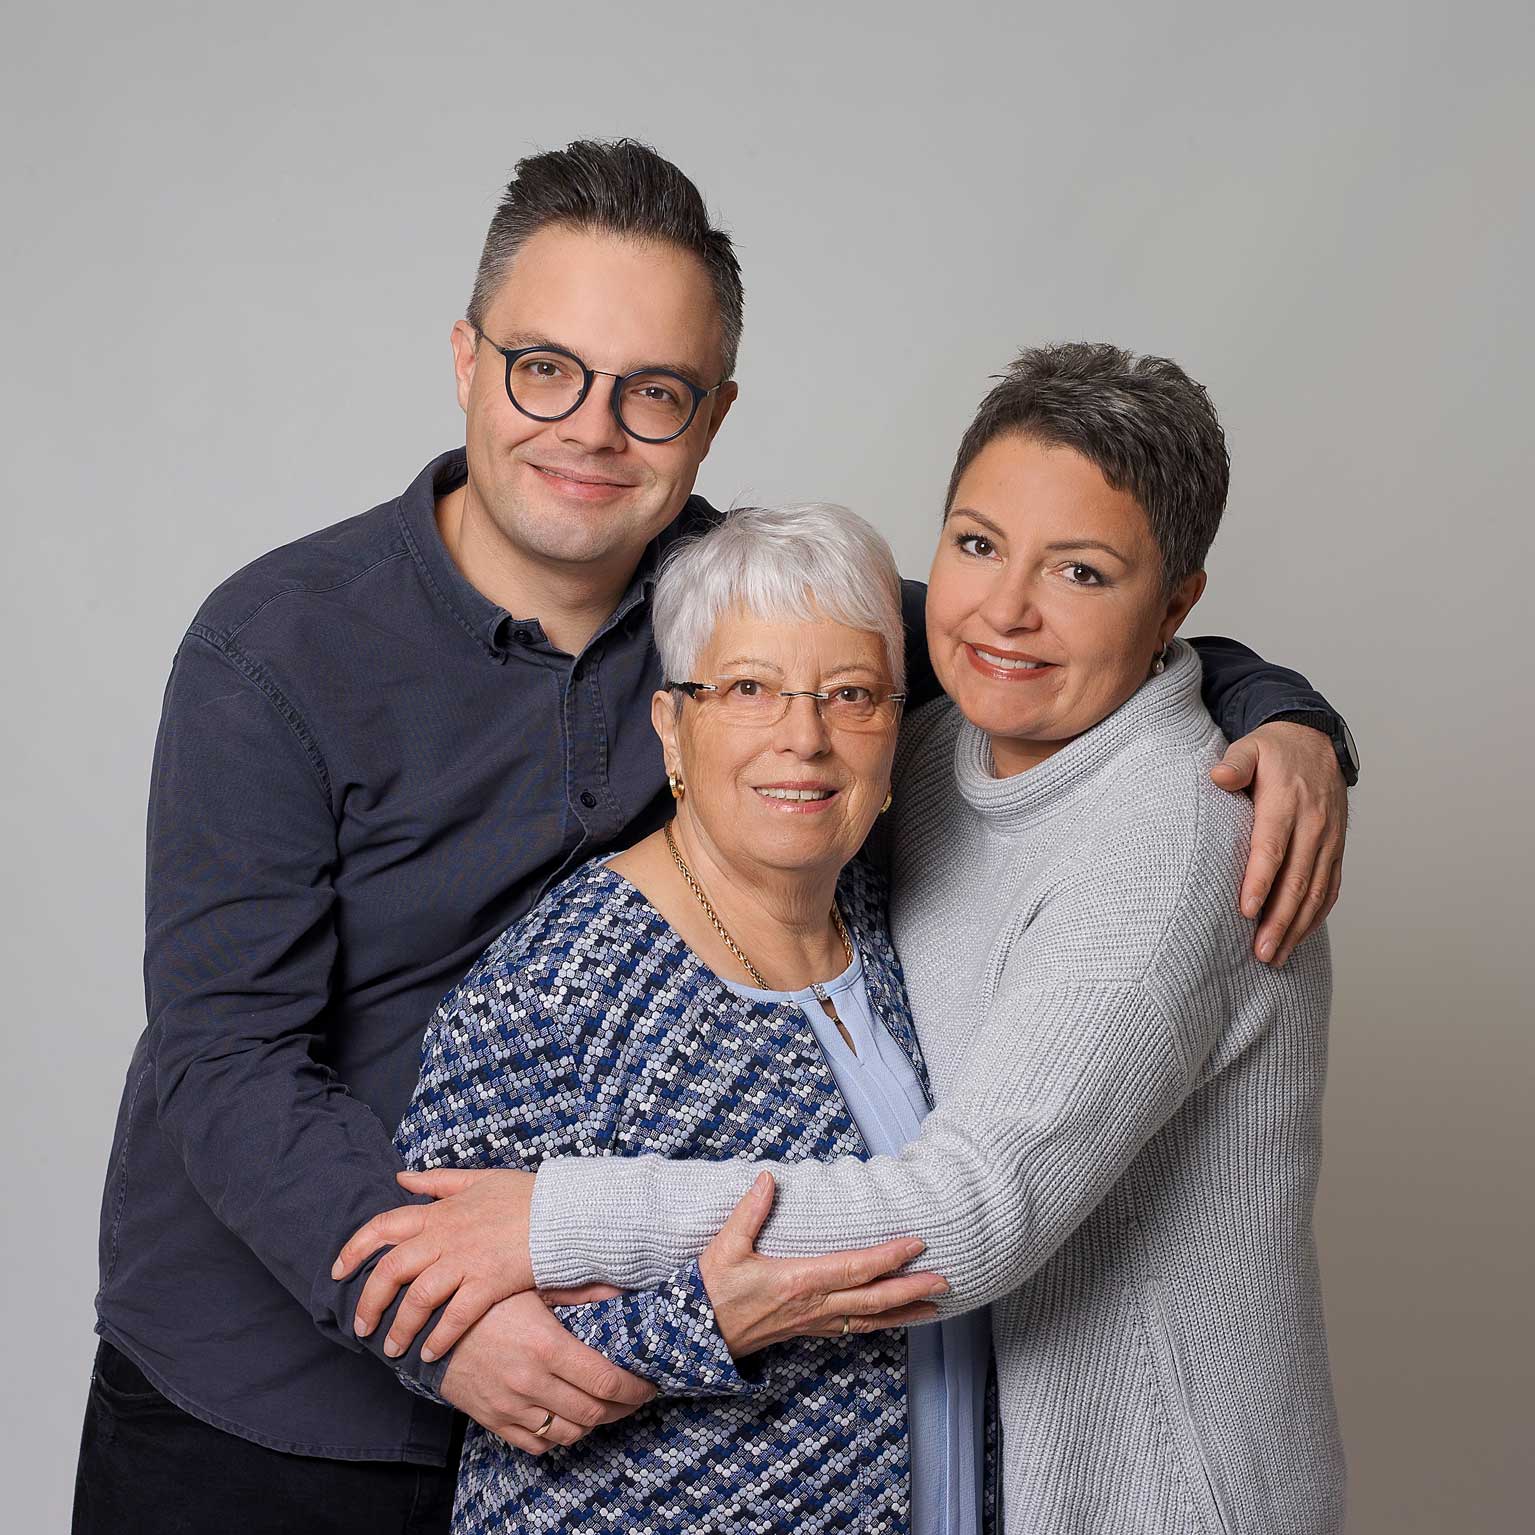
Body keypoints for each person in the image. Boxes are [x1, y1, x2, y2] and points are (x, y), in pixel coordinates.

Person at [78, 137, 1352, 1534]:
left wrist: (1274, 710)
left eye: (653, 391)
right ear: (465, 359)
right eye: (544, 368)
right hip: (269, 1398)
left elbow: (1019, 633)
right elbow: (226, 1059)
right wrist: (445, 1324)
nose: (589, 430)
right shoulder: (276, 647)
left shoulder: (753, 619)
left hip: (591, 1391)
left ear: (713, 414)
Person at [347, 345, 1347, 1533]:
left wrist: (554, 1217)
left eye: (1080, 570)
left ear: (1175, 603)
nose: (1006, 609)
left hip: (1157, 1495)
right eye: (976, 544)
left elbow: (966, 1216)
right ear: (672, 719)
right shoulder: (923, 765)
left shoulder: (1174, 833)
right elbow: (449, 1306)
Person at [394, 502, 992, 1533]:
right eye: (749, 688)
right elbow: (440, 1330)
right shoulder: (556, 988)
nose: (803, 738)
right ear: (671, 724)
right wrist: (707, 1320)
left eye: (850, 694)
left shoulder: (885, 918)